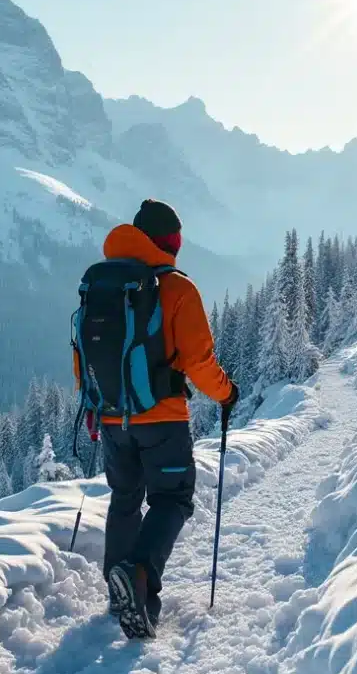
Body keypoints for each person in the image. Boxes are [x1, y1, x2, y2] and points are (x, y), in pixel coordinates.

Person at [73, 199, 239, 639]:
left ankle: (117, 587)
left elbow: (84, 351)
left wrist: (93, 404)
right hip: (161, 419)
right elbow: (199, 363)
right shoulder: (178, 289)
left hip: (112, 417)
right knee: (173, 497)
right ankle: (141, 580)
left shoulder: (102, 284)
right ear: (169, 242)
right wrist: (227, 393)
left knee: (125, 495)